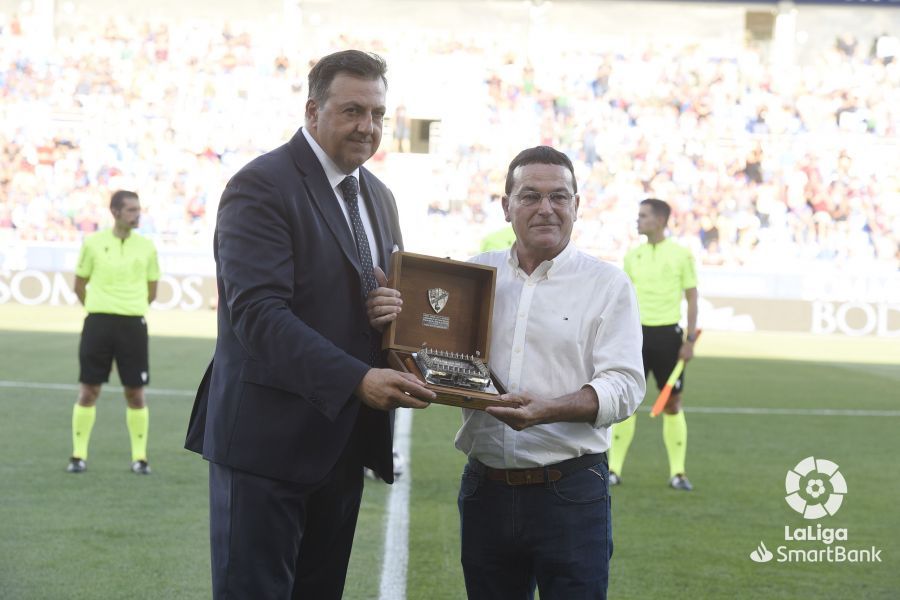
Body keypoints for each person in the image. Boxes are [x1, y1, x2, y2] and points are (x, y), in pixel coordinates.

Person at [184, 50, 435, 600]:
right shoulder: (261, 185)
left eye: (377, 114)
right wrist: (356, 379)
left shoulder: (378, 195)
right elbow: (257, 315)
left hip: (341, 443)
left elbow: (373, 301)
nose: (367, 126)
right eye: (352, 111)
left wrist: (387, 313)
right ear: (313, 111)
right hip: (266, 444)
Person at [375, 146, 645, 598]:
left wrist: (548, 410)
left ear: (577, 205)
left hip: (571, 490)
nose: (546, 208)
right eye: (530, 196)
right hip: (486, 488)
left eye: (559, 196)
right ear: (506, 206)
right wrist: (390, 323)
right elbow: (432, 351)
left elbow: (625, 386)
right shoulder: (477, 273)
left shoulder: (607, 284)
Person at [67, 190, 159, 475]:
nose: (136, 214)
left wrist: (130, 307)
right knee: (88, 391)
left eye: (138, 209)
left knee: (135, 393)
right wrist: (98, 309)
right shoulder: (93, 243)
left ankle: (140, 458)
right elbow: (79, 284)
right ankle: (78, 456)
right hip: (98, 323)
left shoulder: (147, 247)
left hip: (132, 324)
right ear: (115, 212)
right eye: (131, 210)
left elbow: (152, 290)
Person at [610, 198, 699, 491]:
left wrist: (689, 340)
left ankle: (678, 473)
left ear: (660, 220)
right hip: (636, 336)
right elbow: (623, 300)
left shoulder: (681, 255)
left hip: (668, 337)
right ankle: (613, 469)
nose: (638, 220)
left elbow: (692, 296)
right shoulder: (632, 256)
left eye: (643, 215)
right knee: (626, 401)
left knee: (672, 403)